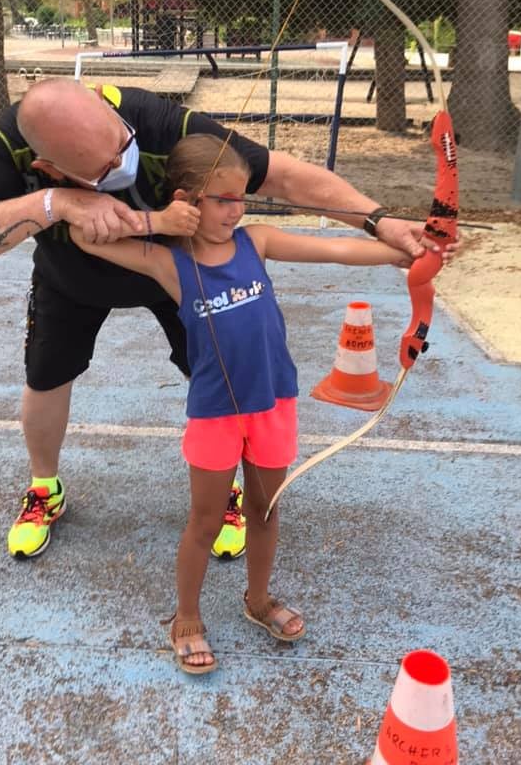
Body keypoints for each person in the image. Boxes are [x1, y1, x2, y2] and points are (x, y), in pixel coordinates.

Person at [0, 78, 457, 560]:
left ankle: (225, 487)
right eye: (102, 168)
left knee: (221, 382)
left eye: (121, 143)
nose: (122, 160)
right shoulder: (11, 141)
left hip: (181, 273)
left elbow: (282, 176)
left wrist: (379, 222)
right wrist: (56, 203)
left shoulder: (160, 122)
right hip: (72, 277)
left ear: (103, 106)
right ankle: (45, 488)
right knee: (46, 377)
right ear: (49, 165)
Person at [68, 133, 418, 673]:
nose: (237, 210)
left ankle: (258, 600)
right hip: (215, 413)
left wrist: (410, 251)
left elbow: (338, 251)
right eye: (224, 200)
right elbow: (83, 236)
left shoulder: (258, 241)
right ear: (188, 200)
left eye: (242, 198)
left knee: (265, 509)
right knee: (206, 521)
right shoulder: (169, 263)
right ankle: (186, 616)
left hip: (274, 403)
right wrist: (158, 221)